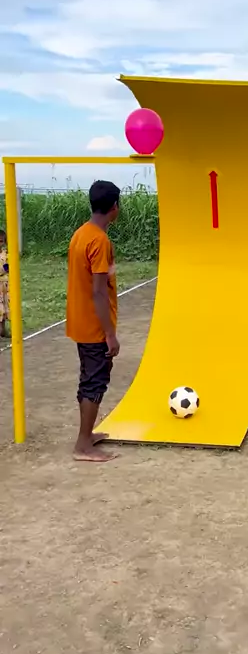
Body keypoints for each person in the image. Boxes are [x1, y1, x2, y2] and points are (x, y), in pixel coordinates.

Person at [66, 180, 121, 462]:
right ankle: (83, 446)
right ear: (114, 207)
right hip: (94, 326)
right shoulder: (99, 241)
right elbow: (98, 292)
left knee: (89, 378)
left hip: (81, 321)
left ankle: (87, 436)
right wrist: (110, 334)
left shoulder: (81, 233)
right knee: (95, 382)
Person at [0, 229, 9, 339]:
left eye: (1, 241)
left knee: (4, 307)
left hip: (4, 285)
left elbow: (7, 268)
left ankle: (3, 329)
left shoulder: (5, 254)